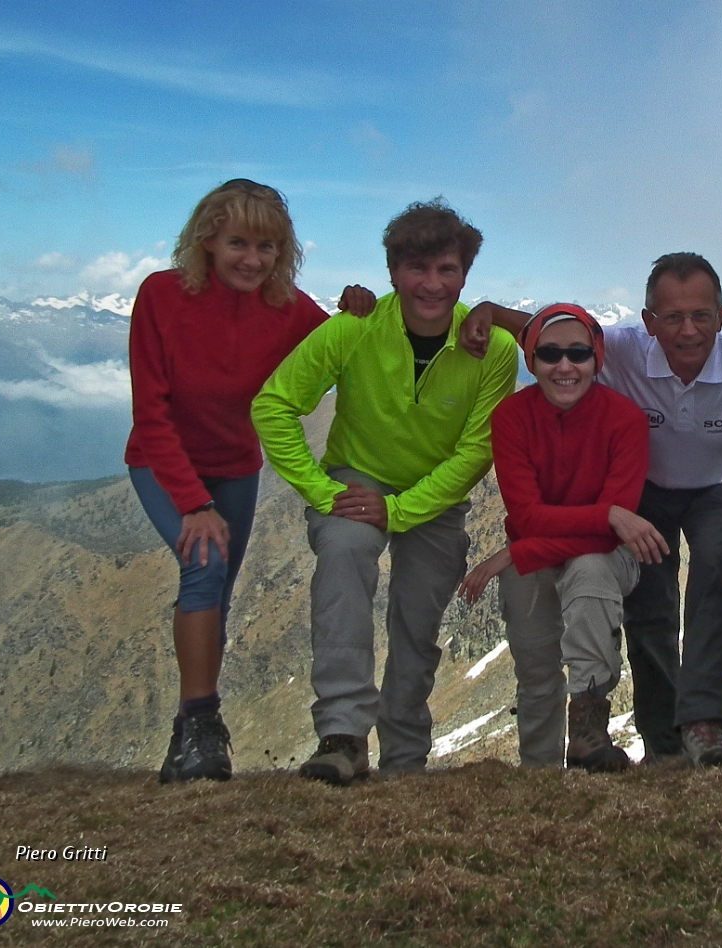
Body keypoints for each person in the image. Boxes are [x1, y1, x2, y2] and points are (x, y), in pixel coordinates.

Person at [426, 253, 722, 767]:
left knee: (710, 574)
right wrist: (483, 309)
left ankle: (704, 725)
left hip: (719, 486)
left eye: (701, 316)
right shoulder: (614, 348)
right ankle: (662, 741)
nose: (687, 330)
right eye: (672, 317)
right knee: (651, 600)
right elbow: (543, 330)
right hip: (647, 489)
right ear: (648, 322)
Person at [252, 199, 518, 784]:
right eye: (418, 269)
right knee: (345, 551)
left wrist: (400, 508)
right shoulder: (353, 328)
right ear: (393, 272)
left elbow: (477, 448)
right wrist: (322, 493)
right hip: (355, 480)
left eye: (447, 270)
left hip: (434, 496)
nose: (432, 284)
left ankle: (404, 758)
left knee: (418, 623)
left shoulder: (494, 348)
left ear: (465, 275)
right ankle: (343, 735)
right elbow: (273, 405)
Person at [126, 178, 334, 782]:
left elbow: (350, 346)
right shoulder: (162, 295)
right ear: (208, 240)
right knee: (206, 565)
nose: (252, 259)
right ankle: (200, 723)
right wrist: (191, 503)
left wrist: (363, 308)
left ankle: (191, 738)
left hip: (236, 468)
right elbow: (152, 412)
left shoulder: (288, 309)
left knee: (216, 592)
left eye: (267, 247)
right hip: (161, 463)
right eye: (239, 242)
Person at [458, 304, 669, 771]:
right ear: (530, 361)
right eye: (550, 354)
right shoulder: (512, 417)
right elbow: (531, 516)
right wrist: (609, 515)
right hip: (549, 549)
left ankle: (589, 732)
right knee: (536, 666)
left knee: (591, 570)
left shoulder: (625, 420)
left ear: (597, 360)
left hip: (602, 557)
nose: (565, 366)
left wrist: (516, 553)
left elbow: (607, 539)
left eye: (579, 353)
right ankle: (540, 771)